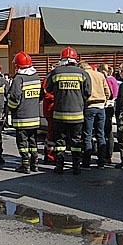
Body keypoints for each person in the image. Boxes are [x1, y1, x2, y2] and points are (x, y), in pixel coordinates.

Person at [45, 47, 91, 175]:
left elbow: (48, 89)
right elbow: (88, 93)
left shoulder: (56, 73)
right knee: (76, 141)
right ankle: (76, 167)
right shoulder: (83, 73)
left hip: (59, 114)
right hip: (77, 114)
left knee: (60, 141)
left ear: (62, 59)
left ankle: (59, 166)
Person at [7, 52, 42, 173]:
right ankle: (35, 164)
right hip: (34, 117)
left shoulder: (18, 78)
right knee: (33, 141)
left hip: (22, 117)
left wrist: (10, 108)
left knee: (22, 142)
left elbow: (14, 98)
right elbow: (40, 95)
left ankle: (25, 165)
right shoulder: (36, 76)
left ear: (18, 65)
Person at [79, 61, 110, 170]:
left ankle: (86, 163)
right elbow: (108, 92)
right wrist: (105, 100)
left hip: (89, 106)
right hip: (101, 107)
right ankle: (101, 162)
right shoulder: (100, 75)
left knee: (87, 134)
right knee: (100, 135)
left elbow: (83, 92)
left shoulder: (84, 75)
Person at [99, 64, 119, 164]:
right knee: (109, 131)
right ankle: (108, 155)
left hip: (107, 107)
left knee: (105, 132)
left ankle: (106, 155)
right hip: (111, 107)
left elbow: (109, 93)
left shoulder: (107, 80)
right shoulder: (114, 79)